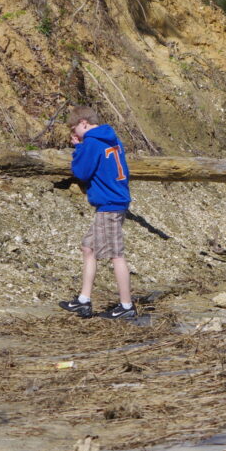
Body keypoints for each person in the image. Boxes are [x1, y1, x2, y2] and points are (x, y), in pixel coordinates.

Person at [58, 107, 135, 320]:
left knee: (116, 255)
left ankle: (126, 305)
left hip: (110, 204)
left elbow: (81, 172)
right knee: (88, 247)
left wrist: (78, 148)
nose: (75, 134)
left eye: (75, 129)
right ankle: (84, 300)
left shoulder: (91, 141)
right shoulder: (112, 139)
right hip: (114, 200)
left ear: (83, 123)